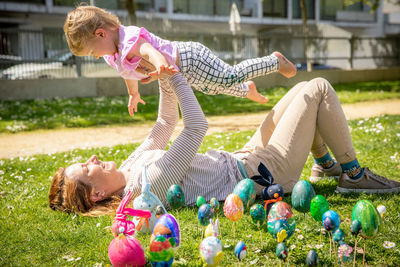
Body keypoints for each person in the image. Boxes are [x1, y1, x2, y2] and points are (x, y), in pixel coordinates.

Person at [49, 71, 400, 216]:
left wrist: (158, 71)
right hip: (262, 174)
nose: (94, 158)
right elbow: (195, 127)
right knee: (318, 88)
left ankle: (325, 166)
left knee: (300, 91)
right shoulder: (147, 186)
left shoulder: (128, 168)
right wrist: (177, 77)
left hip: (242, 157)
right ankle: (352, 174)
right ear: (95, 194)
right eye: (87, 166)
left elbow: (165, 123)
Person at [63, 5, 296, 116]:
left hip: (189, 58)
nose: (96, 56)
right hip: (183, 71)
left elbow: (149, 51)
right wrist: (133, 93)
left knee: (227, 77)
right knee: (212, 88)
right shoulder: (113, 55)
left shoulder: (128, 40)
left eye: (93, 52)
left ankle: (274, 61)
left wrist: (159, 65)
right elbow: (127, 73)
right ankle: (247, 90)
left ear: (101, 34)